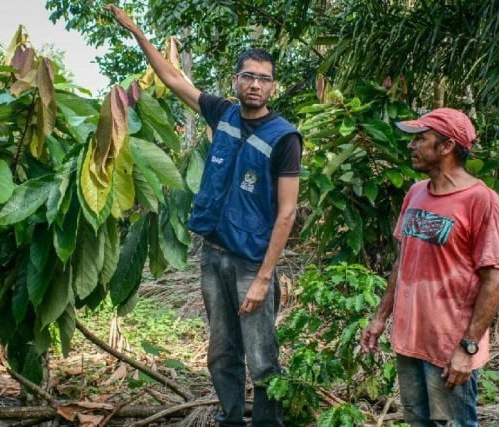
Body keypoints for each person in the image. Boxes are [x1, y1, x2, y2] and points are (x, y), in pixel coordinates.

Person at [105, 5, 302, 426]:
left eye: (264, 79)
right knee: (222, 350)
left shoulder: (284, 137)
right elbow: (173, 78)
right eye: (248, 76)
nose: (255, 84)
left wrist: (266, 277)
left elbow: (287, 213)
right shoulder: (222, 112)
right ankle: (231, 418)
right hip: (213, 255)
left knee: (263, 356)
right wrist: (137, 30)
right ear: (235, 80)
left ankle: (269, 423)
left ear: (273, 87)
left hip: (252, 263)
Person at [360, 108, 499, 426]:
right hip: (410, 340)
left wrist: (467, 349)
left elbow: (493, 282)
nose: (411, 146)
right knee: (417, 421)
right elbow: (403, 262)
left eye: (420, 139)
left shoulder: (481, 200)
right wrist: (379, 318)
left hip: (449, 347)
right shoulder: (415, 193)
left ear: (447, 146)